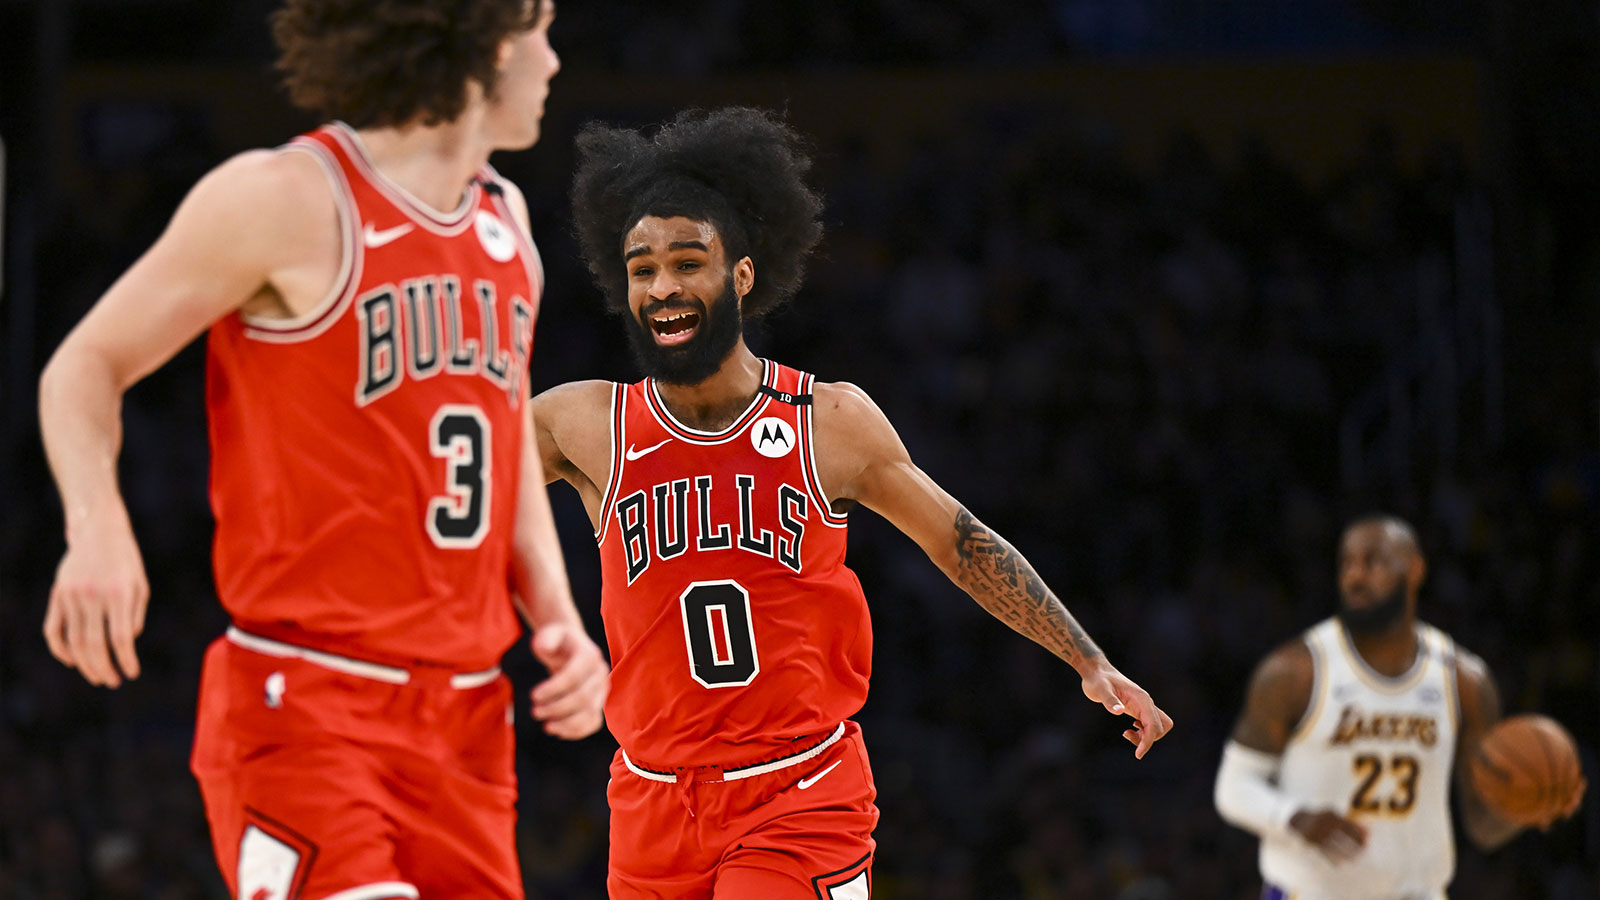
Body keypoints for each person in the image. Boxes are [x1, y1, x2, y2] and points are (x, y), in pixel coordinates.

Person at [37, 2, 608, 899]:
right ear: (483, 44)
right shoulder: (286, 197)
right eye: (541, 30)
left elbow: (502, 446)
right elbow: (84, 366)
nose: (554, 60)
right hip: (305, 703)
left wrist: (559, 617)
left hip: (466, 719)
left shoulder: (510, 224)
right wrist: (95, 522)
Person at [531, 106, 1174, 899]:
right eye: (641, 269)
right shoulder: (585, 425)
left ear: (741, 274)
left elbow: (961, 543)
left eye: (687, 262)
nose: (663, 287)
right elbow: (434, 486)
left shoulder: (825, 421)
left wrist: (1088, 659)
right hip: (648, 801)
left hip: (794, 794)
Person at [1213, 514, 1586, 900]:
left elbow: (1481, 824)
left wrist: (1531, 804)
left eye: (1373, 561)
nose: (1356, 577)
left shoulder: (1464, 681)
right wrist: (1293, 817)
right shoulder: (1295, 672)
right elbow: (1233, 787)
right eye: (1347, 563)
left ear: (1415, 569)